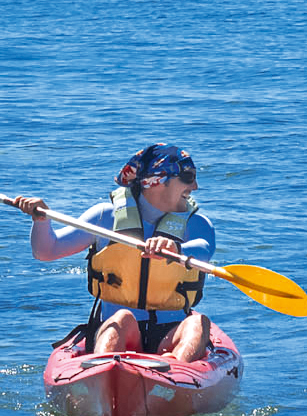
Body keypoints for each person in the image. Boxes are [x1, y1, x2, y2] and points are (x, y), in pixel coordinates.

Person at [13, 143, 214, 361]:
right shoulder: (104, 217)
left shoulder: (197, 223)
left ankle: (176, 371)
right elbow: (46, 251)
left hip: (170, 332)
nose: (195, 186)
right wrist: (41, 220)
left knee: (198, 322)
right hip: (115, 330)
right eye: (187, 177)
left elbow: (204, 250)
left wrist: (176, 249)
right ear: (156, 181)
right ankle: (105, 370)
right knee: (122, 318)